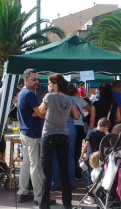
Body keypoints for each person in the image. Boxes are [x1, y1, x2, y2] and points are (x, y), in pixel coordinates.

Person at [38, 73, 78, 209]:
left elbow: (41, 111)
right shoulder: (69, 98)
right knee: (64, 170)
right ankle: (67, 203)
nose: (48, 86)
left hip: (49, 134)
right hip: (63, 135)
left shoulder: (49, 96)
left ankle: (44, 204)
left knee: (46, 171)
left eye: (50, 83)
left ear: (56, 84)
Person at [16, 68, 46, 205]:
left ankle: (23, 191)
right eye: (34, 79)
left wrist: (38, 112)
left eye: (38, 79)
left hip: (25, 132)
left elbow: (38, 112)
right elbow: (41, 113)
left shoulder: (23, 92)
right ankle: (39, 197)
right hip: (32, 133)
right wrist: (39, 111)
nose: (37, 82)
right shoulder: (30, 94)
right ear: (26, 79)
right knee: (35, 166)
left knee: (27, 164)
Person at [79, 117, 110, 189]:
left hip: (90, 157)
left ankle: (89, 189)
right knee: (98, 175)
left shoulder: (91, 132)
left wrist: (81, 155)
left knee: (89, 175)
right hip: (100, 158)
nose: (106, 130)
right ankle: (97, 189)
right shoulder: (105, 136)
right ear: (106, 126)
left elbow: (86, 145)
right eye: (107, 129)